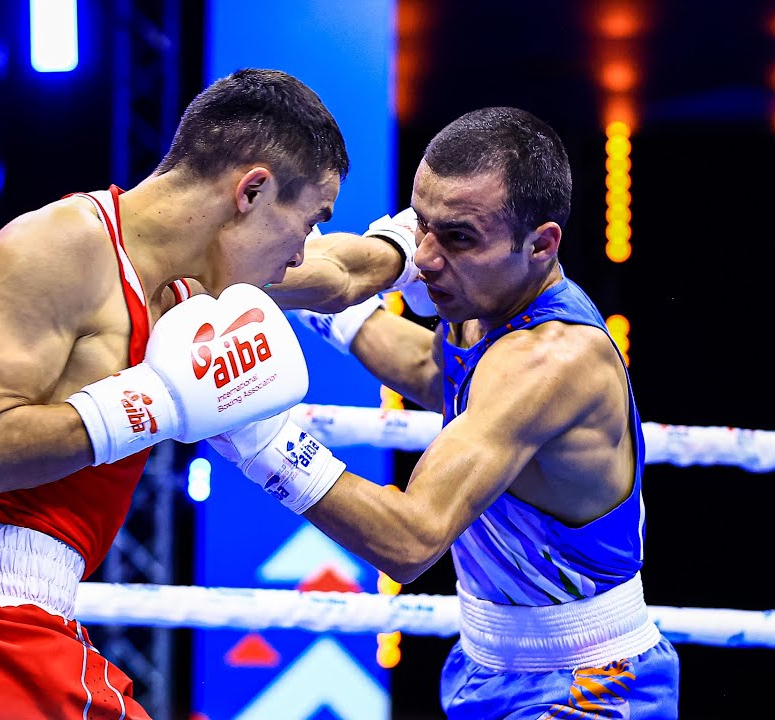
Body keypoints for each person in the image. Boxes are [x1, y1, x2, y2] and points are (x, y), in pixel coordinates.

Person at [0, 68, 413, 720]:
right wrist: (157, 402)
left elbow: (338, 274)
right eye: (308, 221)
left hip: (28, 631)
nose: (301, 251)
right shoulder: (62, 244)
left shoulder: (195, 287)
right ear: (251, 191)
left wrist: (414, 242)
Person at [212, 106, 681, 718]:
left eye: (458, 237)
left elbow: (410, 540)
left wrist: (251, 431)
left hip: (589, 682)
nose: (427, 257)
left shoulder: (550, 359)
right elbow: (436, 373)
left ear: (541, 244)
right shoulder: (482, 303)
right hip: (482, 664)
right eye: (421, 225)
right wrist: (219, 280)